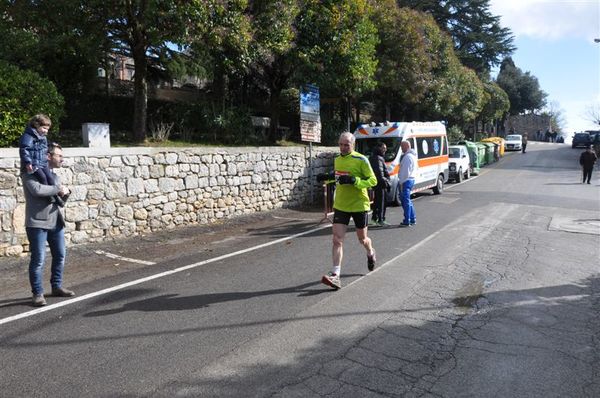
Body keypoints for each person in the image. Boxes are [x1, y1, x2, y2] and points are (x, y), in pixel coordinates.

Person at [317, 132, 377, 289]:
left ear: (353, 145)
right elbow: (339, 177)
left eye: (346, 145)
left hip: (359, 205)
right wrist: (327, 178)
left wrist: (355, 180)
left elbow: (373, 180)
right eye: (341, 144)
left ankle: (370, 253)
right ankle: (336, 275)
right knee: (337, 239)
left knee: (362, 239)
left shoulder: (361, 159)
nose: (343, 148)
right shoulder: (337, 159)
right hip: (341, 205)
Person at [22, 142, 75, 307]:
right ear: (48, 156)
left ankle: (56, 286)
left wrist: (65, 194)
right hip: (37, 223)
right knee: (38, 260)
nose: (62, 159)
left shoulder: (53, 177)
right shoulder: (30, 173)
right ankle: (37, 294)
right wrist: (57, 188)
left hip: (55, 222)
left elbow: (59, 203)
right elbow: (37, 190)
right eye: (59, 156)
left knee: (60, 255)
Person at [19, 114, 62, 205]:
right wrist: (28, 162)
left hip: (43, 162)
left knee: (50, 177)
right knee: (42, 177)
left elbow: (44, 148)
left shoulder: (43, 137)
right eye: (44, 128)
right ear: (36, 125)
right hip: (34, 163)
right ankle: (49, 196)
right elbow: (24, 149)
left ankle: (55, 196)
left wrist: (47, 154)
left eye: (47, 129)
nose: (45, 131)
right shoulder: (28, 136)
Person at [368, 142, 391, 226]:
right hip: (381, 184)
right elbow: (379, 174)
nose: (385, 150)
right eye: (383, 148)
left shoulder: (375, 157)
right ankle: (380, 220)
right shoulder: (378, 158)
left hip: (378, 184)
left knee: (377, 202)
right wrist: (387, 183)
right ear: (379, 148)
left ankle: (374, 219)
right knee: (381, 202)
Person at [398, 140, 418, 227]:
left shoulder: (407, 157)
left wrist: (401, 182)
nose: (401, 148)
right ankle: (412, 218)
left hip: (406, 180)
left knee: (405, 201)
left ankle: (407, 220)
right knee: (408, 201)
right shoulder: (412, 156)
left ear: (407, 146)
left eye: (402, 147)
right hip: (411, 179)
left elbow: (405, 172)